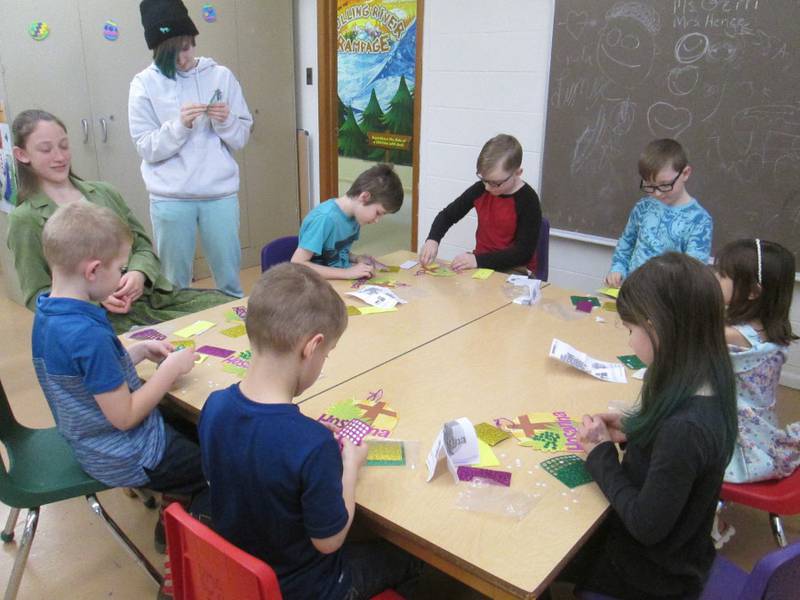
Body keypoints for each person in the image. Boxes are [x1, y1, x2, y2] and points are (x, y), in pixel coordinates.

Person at [198, 263, 422, 599]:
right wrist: (350, 466)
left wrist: (303, 440)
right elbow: (329, 541)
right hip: (305, 589)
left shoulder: (213, 406)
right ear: (312, 347)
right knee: (411, 560)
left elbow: (247, 460)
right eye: (327, 355)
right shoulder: (313, 445)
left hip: (238, 574)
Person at [555, 253, 737, 600]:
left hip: (653, 577)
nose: (627, 340)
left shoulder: (684, 429)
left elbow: (645, 526)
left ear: (658, 327)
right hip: (683, 549)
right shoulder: (709, 376)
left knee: (547, 553)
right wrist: (637, 427)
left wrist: (600, 453)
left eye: (630, 329)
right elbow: (682, 456)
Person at [32, 201, 208, 552]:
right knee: (220, 467)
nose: (123, 275)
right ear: (94, 270)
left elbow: (82, 380)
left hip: (90, 439)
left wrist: (138, 352)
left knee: (198, 424)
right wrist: (170, 370)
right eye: (120, 268)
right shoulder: (86, 334)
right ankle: (187, 551)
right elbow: (124, 416)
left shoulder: (49, 311)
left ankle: (174, 498)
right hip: (127, 452)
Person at [6, 109, 234, 335]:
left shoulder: (105, 193)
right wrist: (98, 298)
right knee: (176, 343)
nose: (60, 156)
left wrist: (138, 273)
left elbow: (142, 246)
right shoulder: (26, 219)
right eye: (46, 149)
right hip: (100, 319)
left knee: (229, 308)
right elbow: (38, 295)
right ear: (22, 155)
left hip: (153, 299)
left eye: (64, 146)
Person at [129, 0, 252, 297]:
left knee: (229, 281)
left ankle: (235, 334)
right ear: (157, 51)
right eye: (173, 53)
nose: (182, 59)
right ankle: (175, 341)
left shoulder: (220, 76)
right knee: (174, 284)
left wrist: (226, 122)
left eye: (186, 47)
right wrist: (180, 126)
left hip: (219, 194)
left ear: (193, 41)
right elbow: (146, 146)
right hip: (170, 198)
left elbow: (241, 137)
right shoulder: (144, 84)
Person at [715, 239, 799, 483]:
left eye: (722, 275)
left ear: (753, 291)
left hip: (738, 444)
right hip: (762, 432)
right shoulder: (771, 331)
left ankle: (707, 519)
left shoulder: (732, 336)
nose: (714, 279)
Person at [419, 134, 542, 273]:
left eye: (495, 183)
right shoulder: (481, 189)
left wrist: (477, 260)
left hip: (516, 268)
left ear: (517, 173)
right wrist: (433, 240)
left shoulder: (528, 200)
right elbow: (447, 215)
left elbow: (522, 254)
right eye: (484, 180)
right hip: (482, 263)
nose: (488, 187)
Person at [605, 139, 712, 288]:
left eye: (665, 185)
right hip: (632, 293)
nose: (657, 193)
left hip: (665, 302)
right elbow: (627, 243)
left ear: (685, 173)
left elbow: (693, 274)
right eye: (649, 185)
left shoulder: (699, 220)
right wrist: (618, 268)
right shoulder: (643, 207)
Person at [291, 163, 404, 280]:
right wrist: (346, 273)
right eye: (378, 213)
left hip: (340, 283)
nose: (377, 220)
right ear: (364, 197)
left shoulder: (355, 218)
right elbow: (297, 264)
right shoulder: (325, 219)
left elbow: (333, 252)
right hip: (318, 287)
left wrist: (356, 258)